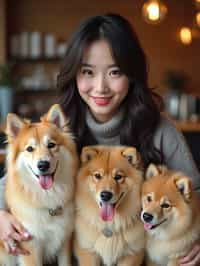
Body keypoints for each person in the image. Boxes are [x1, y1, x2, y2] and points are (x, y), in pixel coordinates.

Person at [0, 13, 200, 266]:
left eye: (115, 72)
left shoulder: (160, 129)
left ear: (133, 74)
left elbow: (195, 191)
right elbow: (9, 183)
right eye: (88, 72)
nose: (100, 87)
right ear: (74, 74)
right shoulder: (58, 129)